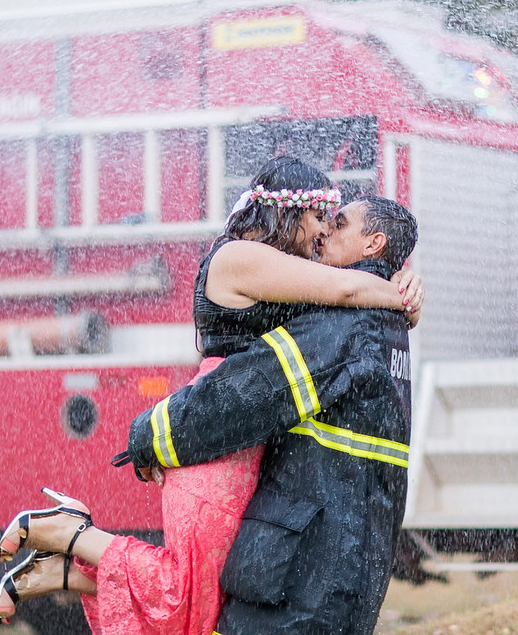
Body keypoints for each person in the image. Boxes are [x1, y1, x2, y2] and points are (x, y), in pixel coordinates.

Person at [0, 158, 422, 634]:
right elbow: (343, 291)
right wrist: (401, 295)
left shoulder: (285, 268)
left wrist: (401, 286)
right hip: (217, 429)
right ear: (291, 210)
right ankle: (71, 534)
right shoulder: (241, 256)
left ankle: (75, 572)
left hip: (242, 439)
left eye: (334, 221)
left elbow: (342, 296)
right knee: (186, 599)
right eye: (321, 216)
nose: (323, 230)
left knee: (206, 600)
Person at [118, 195, 417, 634]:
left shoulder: (344, 326)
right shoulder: (391, 324)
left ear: (373, 244)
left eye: (341, 223)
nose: (327, 230)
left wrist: (150, 434)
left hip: (298, 582)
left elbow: (246, 395)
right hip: (347, 577)